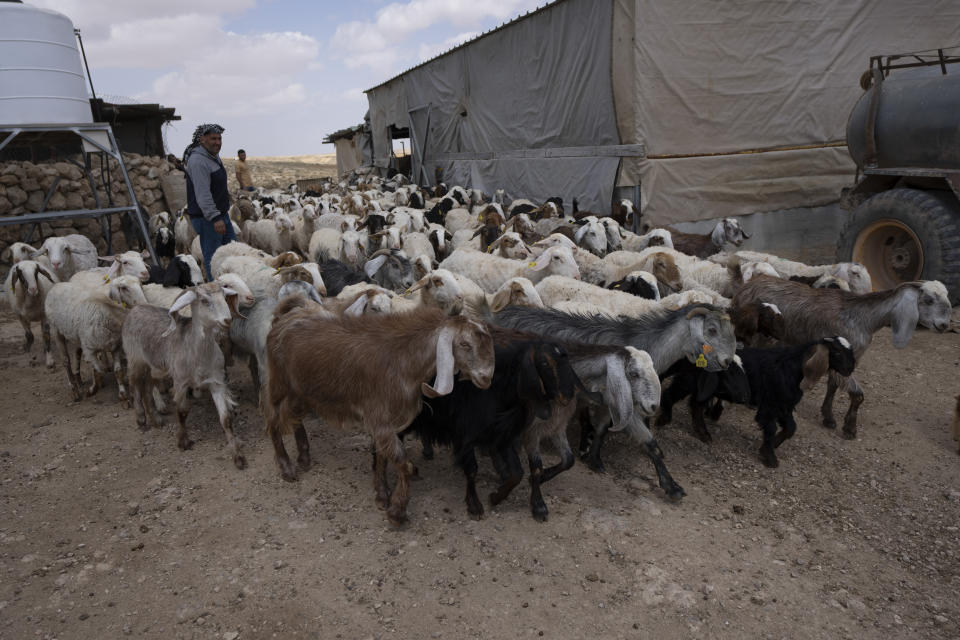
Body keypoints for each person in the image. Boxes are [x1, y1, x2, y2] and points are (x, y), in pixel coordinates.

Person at [183, 123, 235, 279]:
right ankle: (217, 292)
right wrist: (214, 217)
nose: (217, 142)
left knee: (234, 253)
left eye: (219, 138)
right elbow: (203, 194)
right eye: (213, 138)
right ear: (202, 139)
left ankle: (233, 288)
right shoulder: (198, 161)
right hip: (209, 219)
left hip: (220, 215)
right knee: (214, 259)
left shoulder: (211, 155)